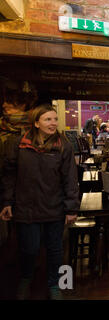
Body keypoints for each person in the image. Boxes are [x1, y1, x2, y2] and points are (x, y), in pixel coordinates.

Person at [0, 104, 80, 300]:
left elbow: (70, 178)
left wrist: (71, 208)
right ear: (36, 123)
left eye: (55, 119)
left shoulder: (64, 146)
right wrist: (7, 202)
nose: (53, 123)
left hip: (54, 207)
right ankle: (26, 278)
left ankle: (55, 284)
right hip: (26, 207)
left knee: (55, 249)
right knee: (29, 248)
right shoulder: (19, 144)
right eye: (48, 119)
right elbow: (9, 175)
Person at [0, 79, 37, 246]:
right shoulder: (3, 127)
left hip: (26, 196)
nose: (5, 105)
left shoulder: (35, 131)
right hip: (4, 190)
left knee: (24, 242)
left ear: (23, 104)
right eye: (5, 101)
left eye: (11, 103)